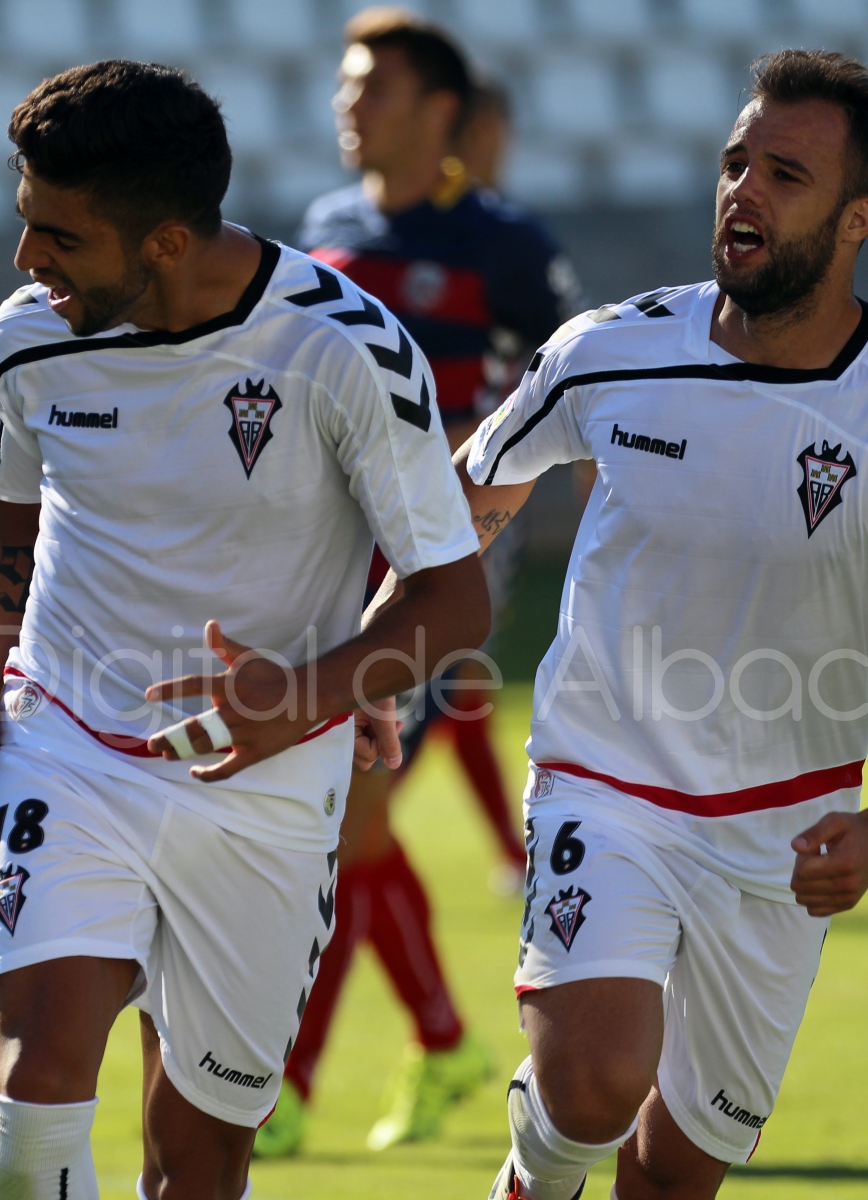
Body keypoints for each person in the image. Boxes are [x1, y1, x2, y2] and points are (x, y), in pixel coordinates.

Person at [434, 49, 868, 1200]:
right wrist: (375, 667)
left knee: (672, 1182)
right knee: (598, 1084)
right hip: (605, 782)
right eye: (734, 163)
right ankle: (546, 1146)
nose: (743, 192)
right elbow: (467, 499)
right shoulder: (609, 351)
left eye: (785, 174)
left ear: (857, 218)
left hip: (783, 842)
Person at [0, 60, 489, 1200]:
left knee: (201, 1156)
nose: (28, 263)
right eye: (28, 225)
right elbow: (12, 525)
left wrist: (310, 694)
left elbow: (452, 598)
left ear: (166, 242)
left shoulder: (345, 350)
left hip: (265, 784)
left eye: (59, 238)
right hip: (65, 738)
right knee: (39, 1084)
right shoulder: (31, 334)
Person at [253, 9, 580, 1158]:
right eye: (347, 86)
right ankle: (438, 1053)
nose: (351, 104)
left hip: (439, 572)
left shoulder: (503, 242)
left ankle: (291, 1084)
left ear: (441, 110)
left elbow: (571, 402)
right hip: (330, 561)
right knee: (341, 821)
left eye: (374, 87)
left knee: (354, 817)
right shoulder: (323, 229)